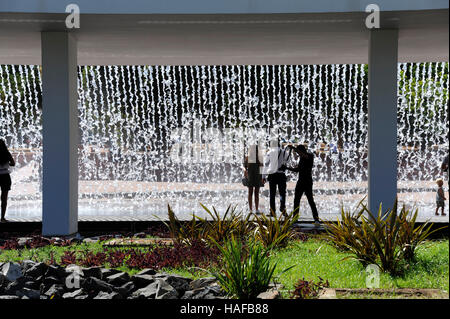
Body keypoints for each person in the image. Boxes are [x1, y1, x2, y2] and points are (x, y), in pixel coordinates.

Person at [283, 144, 320, 224]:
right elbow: (298, 170)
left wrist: (294, 148)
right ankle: (295, 219)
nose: (298, 154)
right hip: (300, 181)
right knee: (296, 200)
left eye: (298, 152)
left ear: (302, 151)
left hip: (307, 182)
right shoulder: (301, 158)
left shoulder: (310, 156)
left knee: (310, 200)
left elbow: (304, 156)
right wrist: (287, 168)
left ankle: (316, 219)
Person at [263, 139, 291, 217]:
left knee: (272, 194)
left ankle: (272, 211)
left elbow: (266, 165)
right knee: (282, 193)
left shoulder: (269, 152)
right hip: (281, 175)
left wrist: (263, 176)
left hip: (272, 175)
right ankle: (283, 208)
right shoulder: (284, 152)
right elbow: (288, 161)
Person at [243, 144, 264, 214]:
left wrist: (262, 177)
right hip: (252, 176)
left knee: (254, 193)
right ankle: (251, 209)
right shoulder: (248, 157)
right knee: (252, 193)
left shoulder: (259, 158)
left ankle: (255, 209)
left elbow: (262, 168)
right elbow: (244, 166)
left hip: (256, 176)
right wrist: (245, 171)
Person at [0, 139, 15, 223]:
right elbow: (13, 163)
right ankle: (2, 218)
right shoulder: (7, 154)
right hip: (5, 176)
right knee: (4, 198)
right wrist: (7, 164)